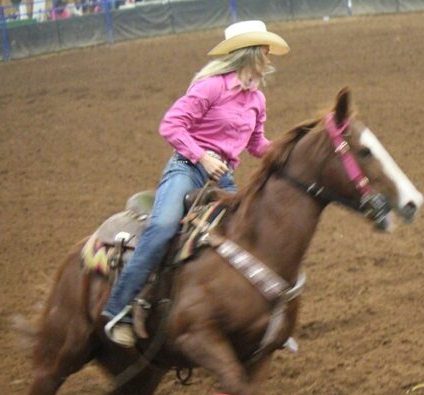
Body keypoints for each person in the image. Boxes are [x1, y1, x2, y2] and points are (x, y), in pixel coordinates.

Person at [100, 20, 290, 347]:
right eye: (263, 51)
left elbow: (256, 143)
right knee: (162, 228)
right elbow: (171, 125)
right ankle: (120, 307)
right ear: (247, 55)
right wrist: (202, 156)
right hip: (187, 169)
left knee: (245, 237)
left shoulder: (256, 99)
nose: (267, 58)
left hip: (223, 177)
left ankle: (256, 316)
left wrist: (287, 153)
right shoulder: (211, 87)